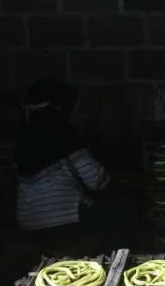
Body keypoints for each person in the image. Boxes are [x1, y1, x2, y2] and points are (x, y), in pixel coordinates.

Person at [15, 79, 111, 234]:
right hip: (65, 224)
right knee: (122, 208)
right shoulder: (68, 143)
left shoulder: (22, 146)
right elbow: (97, 181)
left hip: (28, 223)